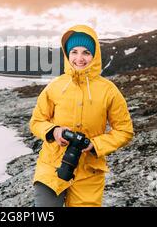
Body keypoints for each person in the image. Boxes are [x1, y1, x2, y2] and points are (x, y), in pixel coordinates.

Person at [29, 25, 134, 207]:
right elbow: (37, 121)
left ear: (95, 55)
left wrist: (96, 144)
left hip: (90, 172)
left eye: (86, 52)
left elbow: (124, 131)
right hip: (52, 165)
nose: (79, 58)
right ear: (67, 55)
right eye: (74, 52)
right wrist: (54, 131)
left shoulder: (109, 91)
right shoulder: (55, 87)